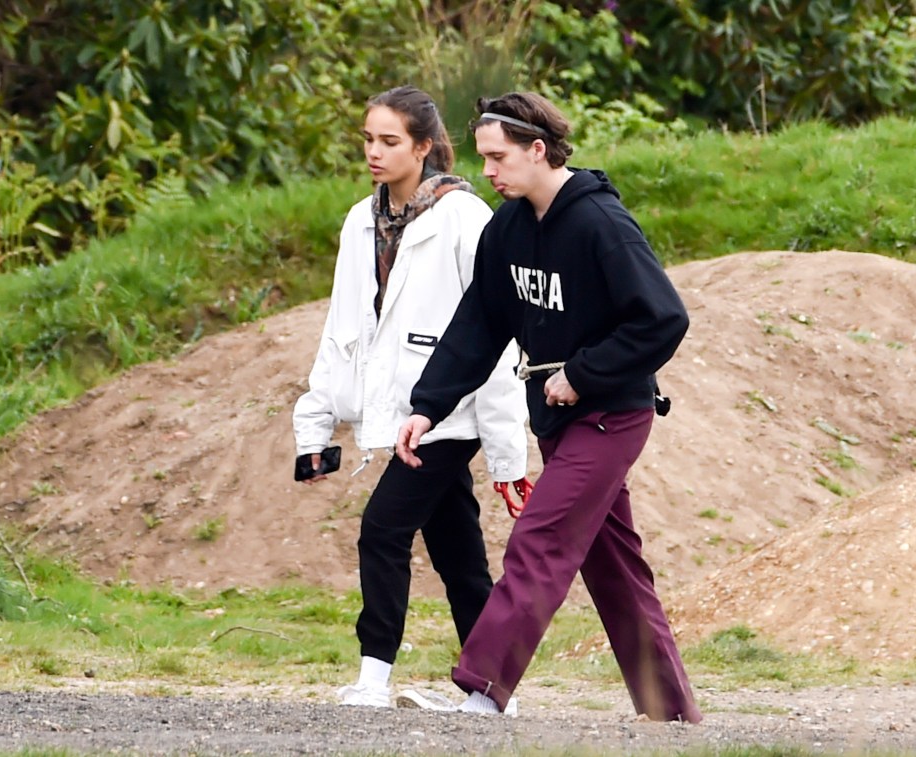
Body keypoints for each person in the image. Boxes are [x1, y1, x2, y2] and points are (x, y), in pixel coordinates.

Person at [395, 92, 702, 723]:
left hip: (611, 415)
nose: (488, 172)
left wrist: (584, 374)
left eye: (499, 158)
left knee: (540, 538)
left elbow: (664, 319)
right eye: (482, 158)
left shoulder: (600, 224)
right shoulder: (506, 229)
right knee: (615, 568)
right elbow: (478, 324)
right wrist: (428, 407)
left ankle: (483, 691)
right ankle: (671, 715)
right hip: (560, 421)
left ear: (539, 150)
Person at [293, 85, 529, 709]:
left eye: (389, 141)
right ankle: (495, 689)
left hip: (449, 413)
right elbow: (343, 331)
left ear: (424, 147)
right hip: (396, 414)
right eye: (368, 139)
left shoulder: (465, 218)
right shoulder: (358, 221)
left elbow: (498, 335)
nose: (374, 152)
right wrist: (313, 428)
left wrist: (509, 455)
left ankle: (373, 678)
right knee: (459, 555)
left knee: (382, 529)